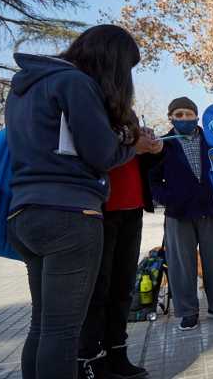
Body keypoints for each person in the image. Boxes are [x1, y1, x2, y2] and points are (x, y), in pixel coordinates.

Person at [5, 24, 145, 378]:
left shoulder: (25, 88)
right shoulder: (75, 83)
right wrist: (133, 146)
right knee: (63, 332)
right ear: (112, 60)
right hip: (69, 215)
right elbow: (101, 154)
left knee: (42, 326)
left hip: (24, 213)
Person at [149, 97, 213, 332]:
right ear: (170, 117)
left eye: (188, 113)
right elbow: (151, 179)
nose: (183, 118)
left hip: (212, 208)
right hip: (178, 212)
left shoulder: (211, 139)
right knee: (181, 263)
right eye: (178, 114)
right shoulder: (162, 144)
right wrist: (168, 197)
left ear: (196, 116)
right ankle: (187, 311)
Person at [77, 127, 162, 379]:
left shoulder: (128, 117)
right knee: (98, 290)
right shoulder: (91, 108)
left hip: (132, 209)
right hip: (101, 211)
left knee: (123, 288)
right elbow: (94, 151)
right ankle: (91, 358)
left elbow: (142, 160)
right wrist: (130, 144)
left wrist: (155, 149)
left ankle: (118, 352)